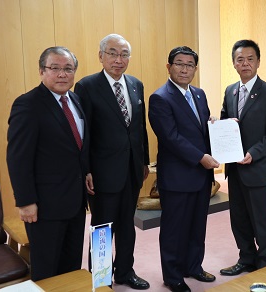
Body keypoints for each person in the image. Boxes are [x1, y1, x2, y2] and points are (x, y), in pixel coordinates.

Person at [74, 34, 150, 290]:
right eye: (113, 53)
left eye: (124, 54)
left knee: (127, 225)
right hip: (103, 173)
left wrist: (145, 162)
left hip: (131, 170)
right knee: (103, 228)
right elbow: (84, 133)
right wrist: (86, 170)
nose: (119, 60)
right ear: (101, 56)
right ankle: (101, 278)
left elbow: (139, 128)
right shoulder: (86, 86)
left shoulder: (136, 84)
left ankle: (126, 272)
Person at [7, 46, 89, 281]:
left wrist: (87, 172)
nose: (62, 74)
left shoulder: (74, 99)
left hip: (75, 201)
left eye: (68, 69)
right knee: (47, 269)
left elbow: (77, 147)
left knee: (71, 264)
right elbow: (18, 158)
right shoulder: (28, 105)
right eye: (55, 68)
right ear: (42, 71)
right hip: (44, 207)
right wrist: (25, 201)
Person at [148, 46, 219, 292]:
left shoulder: (199, 94)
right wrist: (201, 158)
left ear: (195, 69)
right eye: (179, 63)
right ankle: (173, 276)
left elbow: (201, 129)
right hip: (178, 177)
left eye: (190, 65)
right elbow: (171, 137)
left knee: (197, 226)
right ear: (169, 67)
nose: (185, 69)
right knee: (174, 229)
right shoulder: (160, 98)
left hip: (201, 176)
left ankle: (193, 266)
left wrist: (220, 128)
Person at [219, 40, 266, 276]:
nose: (245, 63)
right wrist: (220, 126)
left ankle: (264, 262)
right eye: (240, 59)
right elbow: (225, 119)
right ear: (234, 63)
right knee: (238, 218)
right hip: (234, 170)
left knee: (260, 219)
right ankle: (245, 258)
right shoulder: (230, 90)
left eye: (250, 59)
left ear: (258, 62)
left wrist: (253, 153)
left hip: (257, 168)